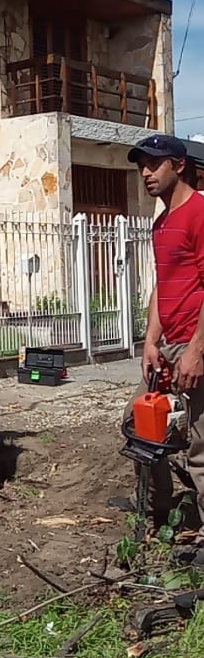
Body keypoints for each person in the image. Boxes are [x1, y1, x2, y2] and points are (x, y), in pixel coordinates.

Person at [127, 134, 204, 546]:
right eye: (141, 165)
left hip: (196, 344)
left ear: (177, 165)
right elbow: (164, 285)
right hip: (169, 344)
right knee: (138, 427)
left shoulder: (200, 212)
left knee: (200, 447)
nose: (145, 172)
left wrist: (196, 350)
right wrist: (150, 340)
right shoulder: (161, 223)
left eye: (153, 164)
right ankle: (158, 510)